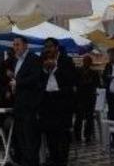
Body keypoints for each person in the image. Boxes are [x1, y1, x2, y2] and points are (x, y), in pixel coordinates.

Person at [37, 37, 77, 166]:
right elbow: (38, 80)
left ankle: (62, 160)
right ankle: (53, 158)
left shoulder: (66, 60)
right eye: (45, 47)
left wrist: (55, 69)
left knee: (63, 133)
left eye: (49, 46)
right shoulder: (41, 60)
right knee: (50, 133)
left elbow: (71, 79)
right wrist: (44, 70)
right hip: (47, 101)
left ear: (56, 47)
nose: (47, 49)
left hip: (62, 101)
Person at [9, 35, 42, 166]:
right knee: (21, 135)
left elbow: (35, 78)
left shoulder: (33, 59)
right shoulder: (16, 61)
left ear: (26, 45)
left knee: (30, 137)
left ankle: (32, 162)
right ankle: (24, 161)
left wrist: (17, 83)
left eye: (18, 45)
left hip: (30, 105)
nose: (15, 48)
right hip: (19, 104)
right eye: (14, 45)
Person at [73, 55, 101, 143]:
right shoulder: (78, 71)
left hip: (90, 96)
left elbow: (97, 84)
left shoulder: (94, 72)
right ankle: (77, 135)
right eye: (85, 61)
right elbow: (75, 82)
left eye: (88, 61)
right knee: (79, 117)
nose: (86, 63)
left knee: (89, 117)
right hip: (80, 97)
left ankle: (87, 135)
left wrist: (90, 83)